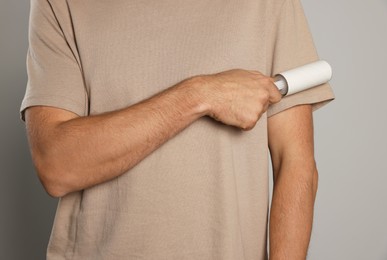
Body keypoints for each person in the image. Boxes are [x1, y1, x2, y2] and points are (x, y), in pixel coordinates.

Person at [20, 0, 334, 259]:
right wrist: (199, 94)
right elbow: (57, 166)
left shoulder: (269, 4)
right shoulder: (59, 4)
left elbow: (295, 163)